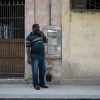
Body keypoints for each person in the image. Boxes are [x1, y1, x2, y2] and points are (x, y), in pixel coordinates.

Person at [26, 23, 48, 90]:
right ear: (33, 28)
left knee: (43, 70)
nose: (38, 29)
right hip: (34, 56)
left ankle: (42, 83)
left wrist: (43, 35)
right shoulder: (29, 37)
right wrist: (29, 58)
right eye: (37, 28)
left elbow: (46, 41)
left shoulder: (39, 35)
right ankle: (35, 84)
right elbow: (28, 48)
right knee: (35, 71)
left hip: (42, 56)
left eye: (39, 28)